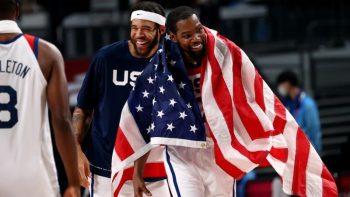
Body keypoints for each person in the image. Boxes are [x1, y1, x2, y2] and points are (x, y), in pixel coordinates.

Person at [131, 6, 337, 197]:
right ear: (173, 37)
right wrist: (137, 172)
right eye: (187, 35)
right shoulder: (159, 68)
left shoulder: (223, 51)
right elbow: (146, 121)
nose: (196, 38)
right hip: (181, 151)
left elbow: (257, 90)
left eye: (198, 30)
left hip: (219, 147)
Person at [72, 1, 170, 196]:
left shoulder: (169, 63)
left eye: (146, 29)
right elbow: (83, 110)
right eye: (134, 28)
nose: (138, 34)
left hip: (156, 171)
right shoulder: (106, 57)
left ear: (161, 30)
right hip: (106, 168)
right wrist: (75, 150)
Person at [0, 0, 80, 196]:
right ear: (17, 11)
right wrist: (73, 182)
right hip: (32, 177)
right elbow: (61, 119)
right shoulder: (45, 52)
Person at [276, 70, 322, 153]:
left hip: (307, 152)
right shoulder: (286, 103)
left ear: (287, 84)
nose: (280, 88)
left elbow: (314, 131)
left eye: (281, 84)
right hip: (292, 152)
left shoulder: (308, 105)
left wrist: (317, 152)